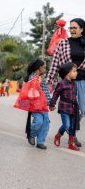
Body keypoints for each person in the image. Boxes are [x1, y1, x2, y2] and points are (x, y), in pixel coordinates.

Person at [47, 18, 85, 147]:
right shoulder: (63, 43)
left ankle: (70, 130)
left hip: (83, 81)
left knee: (82, 110)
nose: (72, 30)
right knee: (71, 109)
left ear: (82, 29)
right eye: (71, 28)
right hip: (68, 83)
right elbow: (55, 62)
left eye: (75, 28)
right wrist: (49, 80)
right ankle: (72, 135)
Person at [49, 62, 80, 151]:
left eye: (76, 71)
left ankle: (71, 144)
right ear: (67, 73)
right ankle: (58, 136)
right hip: (64, 108)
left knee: (72, 126)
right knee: (66, 125)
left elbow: (74, 96)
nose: (76, 73)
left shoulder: (75, 84)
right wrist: (52, 104)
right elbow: (55, 94)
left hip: (73, 108)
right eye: (74, 71)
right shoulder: (62, 83)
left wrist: (78, 107)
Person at [25, 59, 51, 150]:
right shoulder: (32, 77)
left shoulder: (41, 78)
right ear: (39, 68)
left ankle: (40, 142)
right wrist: (37, 82)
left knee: (46, 123)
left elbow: (46, 92)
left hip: (43, 105)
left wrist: (50, 103)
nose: (45, 69)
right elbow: (30, 89)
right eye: (44, 67)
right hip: (35, 105)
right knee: (39, 121)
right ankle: (31, 134)